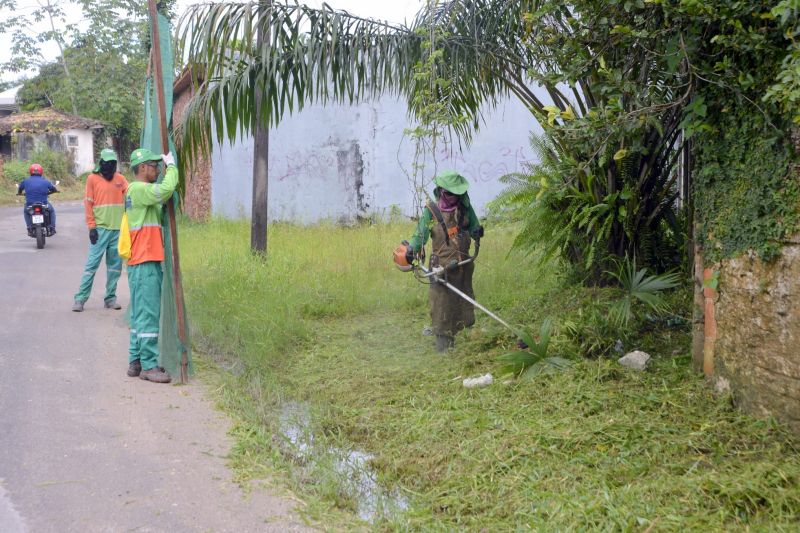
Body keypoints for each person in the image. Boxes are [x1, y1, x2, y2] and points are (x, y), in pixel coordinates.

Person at [403, 170, 484, 352]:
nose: (454, 198)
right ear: (440, 191)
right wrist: (412, 249)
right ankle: (443, 347)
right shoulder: (431, 211)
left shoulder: (464, 207)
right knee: (441, 306)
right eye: (450, 194)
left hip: (463, 265)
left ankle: (458, 338)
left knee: (462, 302)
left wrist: (477, 231)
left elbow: (473, 226)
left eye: (457, 194)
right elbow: (420, 235)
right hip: (441, 269)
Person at [125, 148, 178, 384]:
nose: (157, 169)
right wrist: (173, 167)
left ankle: (135, 361)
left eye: (160, 166)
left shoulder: (137, 193)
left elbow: (160, 206)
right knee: (148, 315)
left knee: (139, 315)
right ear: (143, 167)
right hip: (145, 262)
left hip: (141, 261)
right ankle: (148, 365)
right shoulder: (138, 189)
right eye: (154, 166)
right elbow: (166, 189)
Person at [72, 149, 129, 312]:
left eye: (112, 164)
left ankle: (110, 298)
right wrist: (91, 227)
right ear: (100, 164)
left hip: (117, 230)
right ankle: (80, 299)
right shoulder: (92, 179)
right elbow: (88, 203)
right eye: (106, 164)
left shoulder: (120, 179)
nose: (109, 167)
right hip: (100, 230)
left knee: (114, 267)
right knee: (91, 265)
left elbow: (130, 194)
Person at [17, 163, 58, 235]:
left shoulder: (26, 181)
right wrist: (52, 191)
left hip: (30, 204)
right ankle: (52, 228)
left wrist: (20, 193)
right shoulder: (45, 181)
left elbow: (20, 188)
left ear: (30, 171)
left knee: (26, 212)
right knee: (51, 211)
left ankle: (29, 228)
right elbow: (53, 189)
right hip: (43, 203)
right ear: (41, 172)